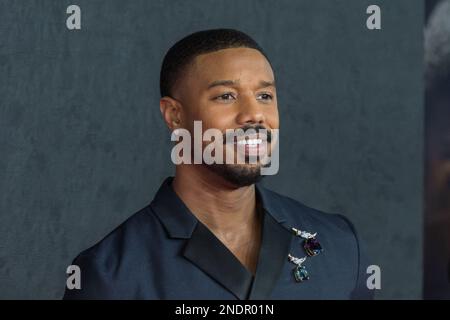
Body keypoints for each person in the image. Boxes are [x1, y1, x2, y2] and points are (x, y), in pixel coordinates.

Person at [63, 29, 373, 299]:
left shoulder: (339, 244)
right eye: (226, 96)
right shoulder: (110, 276)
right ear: (174, 116)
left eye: (265, 95)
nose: (254, 114)